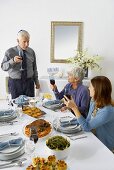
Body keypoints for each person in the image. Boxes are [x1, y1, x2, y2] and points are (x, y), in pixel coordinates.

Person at [64, 76, 114, 151]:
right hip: (93, 137)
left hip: (105, 146)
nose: (88, 88)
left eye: (90, 86)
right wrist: (67, 123)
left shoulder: (107, 111)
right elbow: (87, 120)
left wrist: (74, 108)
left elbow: (86, 127)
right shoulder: (94, 101)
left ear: (97, 90)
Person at [1, 30, 40, 99]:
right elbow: (3, 67)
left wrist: (36, 82)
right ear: (18, 41)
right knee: (16, 106)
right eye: (24, 42)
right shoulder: (9, 52)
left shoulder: (31, 51)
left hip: (29, 83)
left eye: (28, 41)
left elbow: (34, 68)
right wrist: (12, 61)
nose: (27, 44)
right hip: (15, 83)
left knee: (30, 106)